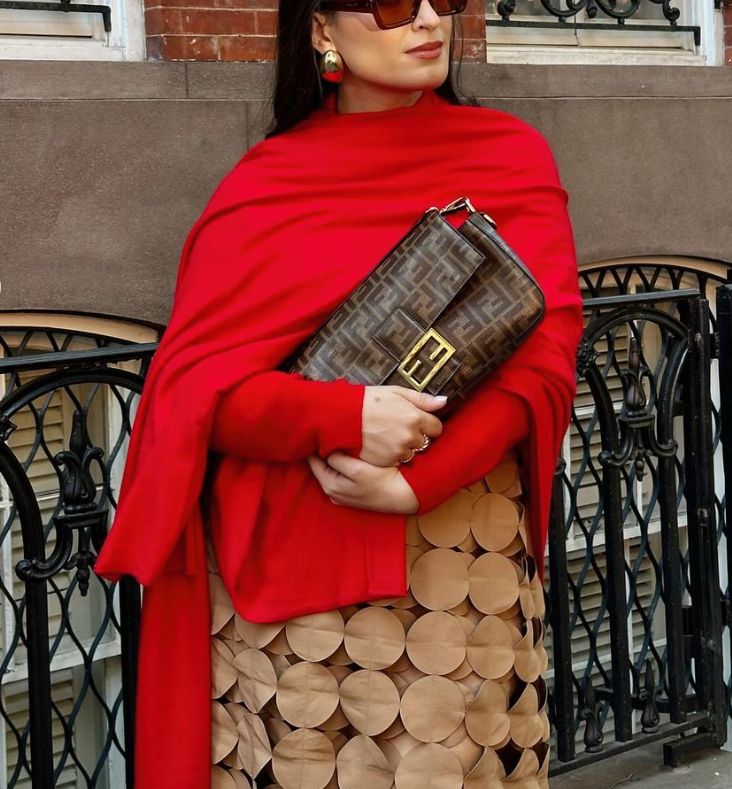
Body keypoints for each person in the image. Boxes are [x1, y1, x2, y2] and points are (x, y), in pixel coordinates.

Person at [94, 0, 584, 786]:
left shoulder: (509, 155)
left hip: (461, 567)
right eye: (392, 3)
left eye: (444, 0)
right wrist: (342, 415)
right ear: (320, 29)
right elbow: (193, 395)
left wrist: (419, 478)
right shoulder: (267, 181)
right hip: (294, 599)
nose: (427, 21)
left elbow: (545, 355)